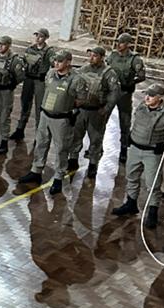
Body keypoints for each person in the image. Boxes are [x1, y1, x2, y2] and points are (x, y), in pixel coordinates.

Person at [17, 50, 82, 196]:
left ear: (68, 62)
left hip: (62, 119)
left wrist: (67, 108)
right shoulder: (51, 73)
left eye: (60, 61)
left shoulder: (76, 79)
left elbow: (81, 99)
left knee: (61, 149)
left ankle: (59, 177)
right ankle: (36, 170)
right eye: (55, 61)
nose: (56, 63)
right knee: (41, 144)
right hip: (45, 115)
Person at [112, 83, 164, 230]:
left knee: (153, 183)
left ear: (159, 98)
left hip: (152, 153)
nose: (147, 97)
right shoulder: (141, 106)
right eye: (146, 94)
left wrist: (161, 143)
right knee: (131, 177)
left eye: (151, 95)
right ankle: (131, 203)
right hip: (135, 148)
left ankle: (152, 211)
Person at [70, 45, 119, 178]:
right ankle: (73, 159)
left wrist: (106, 109)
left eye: (95, 56)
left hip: (96, 112)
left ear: (102, 57)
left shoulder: (109, 73)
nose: (91, 58)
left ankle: (93, 163)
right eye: (90, 55)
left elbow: (114, 93)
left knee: (96, 139)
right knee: (76, 136)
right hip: (81, 110)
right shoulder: (84, 69)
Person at [107, 33, 146, 163]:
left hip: (124, 94)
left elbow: (141, 76)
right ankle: (96, 147)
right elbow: (105, 68)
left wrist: (130, 83)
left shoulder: (135, 59)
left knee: (124, 122)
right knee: (101, 118)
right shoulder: (112, 56)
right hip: (111, 92)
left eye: (121, 42)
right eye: (118, 42)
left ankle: (124, 149)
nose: (118, 45)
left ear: (128, 44)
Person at [11, 29, 52, 141]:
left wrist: (47, 75)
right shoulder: (30, 49)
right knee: (25, 104)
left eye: (41, 36)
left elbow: (54, 65)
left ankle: (38, 134)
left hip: (40, 81)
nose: (38, 38)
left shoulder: (49, 51)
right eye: (36, 36)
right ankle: (20, 129)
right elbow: (24, 62)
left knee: (39, 107)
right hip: (29, 79)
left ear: (46, 38)